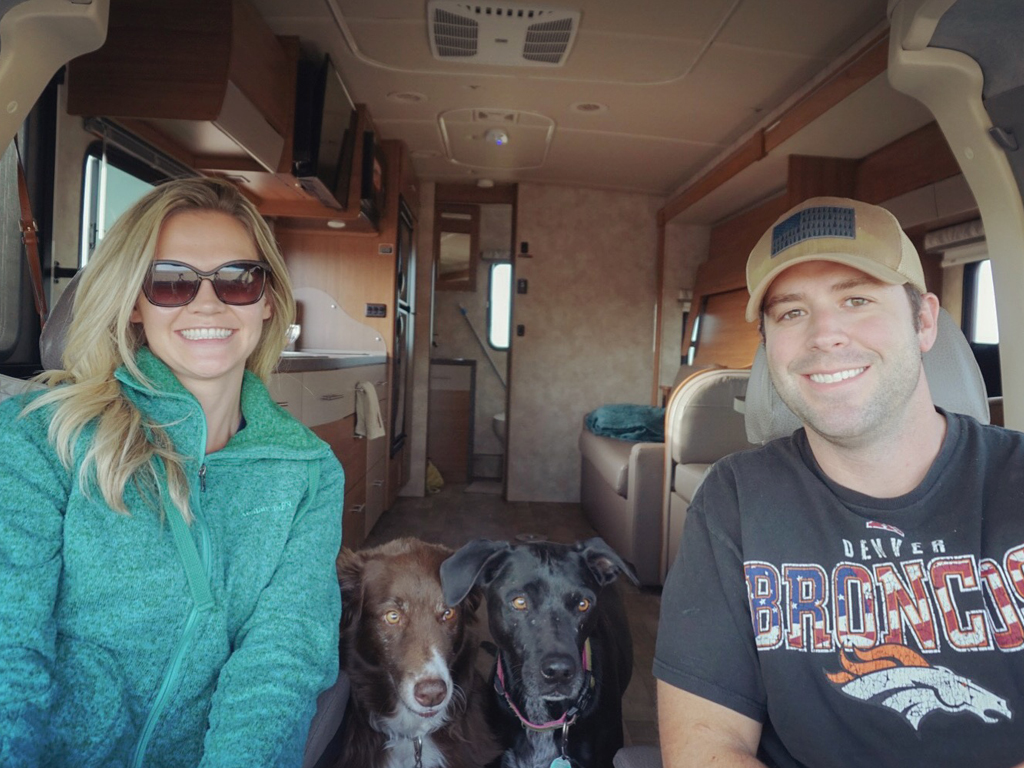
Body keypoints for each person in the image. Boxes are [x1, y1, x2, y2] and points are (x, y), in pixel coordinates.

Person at [654, 196, 1024, 767]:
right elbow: (705, 745)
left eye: (856, 299)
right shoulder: (736, 499)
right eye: (792, 312)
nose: (825, 334)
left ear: (924, 321)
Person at [0, 178, 345, 767]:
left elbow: (280, 661)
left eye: (238, 280)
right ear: (134, 302)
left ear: (267, 300)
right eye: (171, 280)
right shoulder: (39, 438)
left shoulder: (308, 471)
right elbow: (10, 648)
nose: (206, 304)